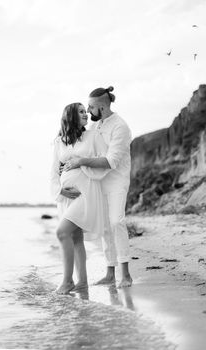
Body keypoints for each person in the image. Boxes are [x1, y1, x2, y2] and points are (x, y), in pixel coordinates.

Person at [63, 86, 132, 288]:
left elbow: (111, 161)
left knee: (116, 222)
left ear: (101, 107)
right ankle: (110, 273)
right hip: (98, 181)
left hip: (117, 180)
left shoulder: (120, 126)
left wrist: (81, 161)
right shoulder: (95, 126)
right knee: (104, 227)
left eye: (91, 107)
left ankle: (126, 275)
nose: (88, 111)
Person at [50, 102, 109, 294]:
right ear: (71, 116)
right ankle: (82, 282)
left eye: (86, 111)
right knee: (75, 238)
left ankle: (67, 281)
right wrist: (60, 191)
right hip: (67, 197)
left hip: (86, 191)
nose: (86, 114)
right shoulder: (59, 142)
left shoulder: (93, 136)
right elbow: (53, 172)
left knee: (62, 233)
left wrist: (80, 163)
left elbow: (105, 161)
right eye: (81, 112)